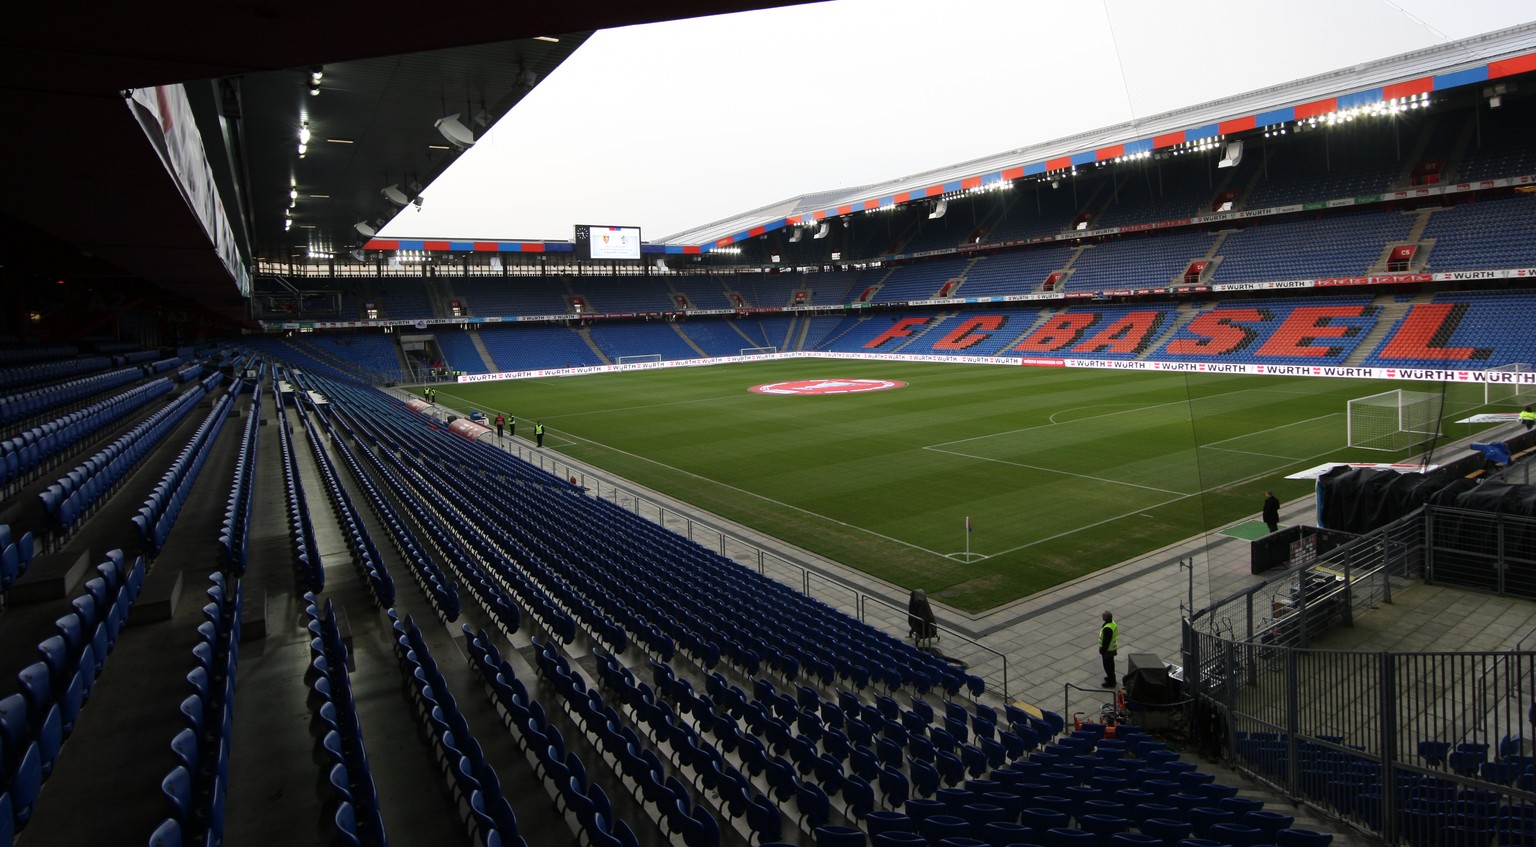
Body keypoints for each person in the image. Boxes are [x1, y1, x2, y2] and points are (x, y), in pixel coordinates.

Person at [1099, 610, 1119, 688]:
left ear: (1106, 617)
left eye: (1103, 616)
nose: (1102, 617)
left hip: (1108, 650)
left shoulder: (1108, 628)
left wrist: (1103, 650)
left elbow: (1106, 641)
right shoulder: (1112, 623)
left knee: (1108, 666)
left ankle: (1111, 682)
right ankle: (1110, 678)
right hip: (1111, 649)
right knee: (1110, 665)